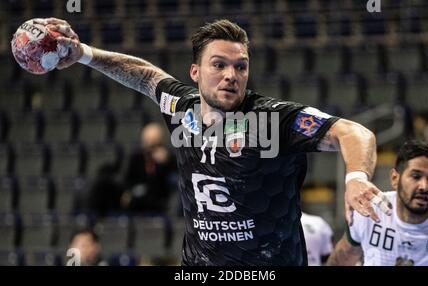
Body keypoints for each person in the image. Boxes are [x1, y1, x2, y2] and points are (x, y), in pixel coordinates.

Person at [36, 17, 391, 266]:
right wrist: (83, 54)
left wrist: (356, 177)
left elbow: (354, 132)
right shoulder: (181, 107)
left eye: (240, 66)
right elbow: (144, 76)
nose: (230, 75)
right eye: (219, 65)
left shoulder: (274, 118)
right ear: (195, 73)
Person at [327, 140, 428, 266]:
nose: (424, 186)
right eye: (416, 176)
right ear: (395, 179)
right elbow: (342, 259)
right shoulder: (369, 210)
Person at [121, 122, 176, 214]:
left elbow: (175, 179)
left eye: (154, 142)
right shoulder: (136, 158)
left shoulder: (168, 158)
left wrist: (166, 162)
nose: (149, 144)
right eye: (147, 140)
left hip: (159, 198)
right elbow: (127, 179)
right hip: (138, 198)